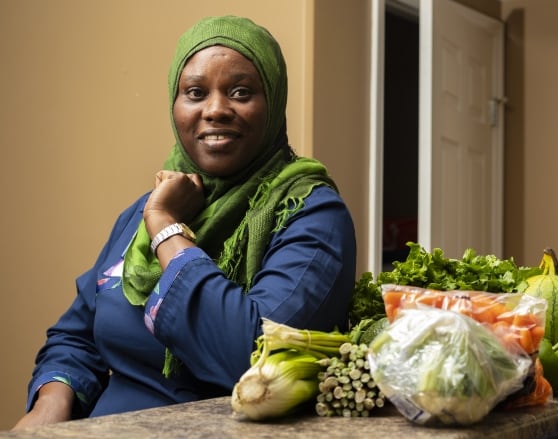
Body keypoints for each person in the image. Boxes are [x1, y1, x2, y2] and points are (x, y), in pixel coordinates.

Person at [12, 15, 357, 428]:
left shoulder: (311, 215)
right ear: (175, 106)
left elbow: (249, 358)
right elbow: (76, 334)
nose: (215, 110)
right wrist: (49, 406)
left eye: (241, 92)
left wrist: (166, 228)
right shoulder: (145, 211)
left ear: (274, 102)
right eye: (195, 92)